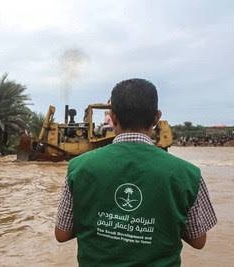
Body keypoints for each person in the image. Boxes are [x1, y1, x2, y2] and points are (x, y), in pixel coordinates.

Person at [55, 78, 217, 266]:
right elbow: (198, 241)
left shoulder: (78, 167)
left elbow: (62, 234)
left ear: (113, 117)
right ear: (156, 118)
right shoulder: (189, 174)